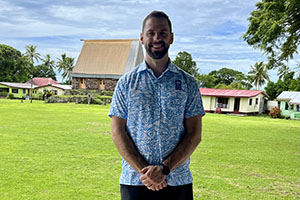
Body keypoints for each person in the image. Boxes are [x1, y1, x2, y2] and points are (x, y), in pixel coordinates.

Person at [109, 10, 205, 200]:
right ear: (142, 38)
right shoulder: (126, 83)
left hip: (177, 180)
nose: (156, 38)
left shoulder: (188, 83)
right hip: (135, 180)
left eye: (162, 33)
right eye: (151, 33)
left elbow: (194, 134)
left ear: (171, 38)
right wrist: (145, 172)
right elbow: (117, 132)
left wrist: (165, 168)